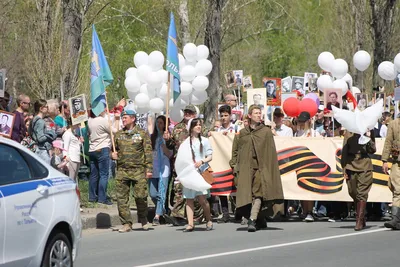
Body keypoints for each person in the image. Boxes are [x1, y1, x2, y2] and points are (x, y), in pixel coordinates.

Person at [231, 105, 284, 232]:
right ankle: (260, 219)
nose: (258, 115)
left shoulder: (265, 132)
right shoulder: (242, 134)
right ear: (249, 116)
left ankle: (252, 220)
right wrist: (235, 167)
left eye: (260, 113)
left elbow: (270, 153)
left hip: (261, 169)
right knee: (247, 196)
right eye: (255, 113)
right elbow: (235, 152)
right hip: (246, 170)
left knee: (259, 194)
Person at [112, 109, 153, 233]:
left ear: (133, 118)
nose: (123, 119)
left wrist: (149, 169)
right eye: (123, 117)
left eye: (126, 117)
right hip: (122, 170)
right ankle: (126, 223)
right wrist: (112, 154)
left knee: (141, 196)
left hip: (138, 170)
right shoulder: (118, 134)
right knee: (122, 198)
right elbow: (112, 150)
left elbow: (148, 152)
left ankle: (143, 219)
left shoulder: (142, 133)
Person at [164, 104, 204, 226]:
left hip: (195, 164)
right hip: (180, 164)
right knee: (179, 189)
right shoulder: (177, 128)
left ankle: (197, 216)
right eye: (186, 112)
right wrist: (167, 140)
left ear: (195, 115)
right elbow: (172, 146)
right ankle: (178, 215)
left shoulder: (200, 127)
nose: (187, 114)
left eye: (190, 112)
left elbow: (206, 141)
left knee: (196, 189)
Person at [179, 118, 214, 232]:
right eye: (196, 125)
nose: (198, 127)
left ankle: (208, 219)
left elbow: (210, 156)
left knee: (202, 199)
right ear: (191, 127)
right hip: (189, 173)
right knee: (189, 198)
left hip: (200, 173)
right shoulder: (186, 142)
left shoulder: (204, 141)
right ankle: (190, 223)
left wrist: (202, 161)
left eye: (200, 125)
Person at [341, 129, 376, 230]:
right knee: (353, 192)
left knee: (362, 193)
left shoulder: (369, 130)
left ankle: (359, 220)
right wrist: (344, 168)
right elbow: (344, 151)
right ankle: (362, 217)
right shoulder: (349, 132)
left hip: (365, 165)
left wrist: (368, 138)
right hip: (351, 164)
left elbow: (373, 150)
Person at [294, 111, 319, 221]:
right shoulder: (298, 133)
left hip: (311, 163)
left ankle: (310, 211)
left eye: (304, 121)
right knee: (301, 188)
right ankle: (304, 210)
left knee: (309, 188)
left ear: (309, 121)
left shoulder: (314, 133)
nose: (302, 123)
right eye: (300, 121)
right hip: (300, 163)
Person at [149, 115, 173, 226]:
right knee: (153, 194)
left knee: (161, 192)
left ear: (165, 125)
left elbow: (170, 154)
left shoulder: (168, 138)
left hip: (164, 169)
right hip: (153, 169)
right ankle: (163, 209)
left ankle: (157, 216)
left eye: (161, 123)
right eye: (157, 122)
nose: (159, 125)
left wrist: (165, 146)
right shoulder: (151, 137)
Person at [88, 110, 113, 205]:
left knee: (93, 174)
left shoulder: (90, 120)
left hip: (92, 149)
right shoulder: (102, 120)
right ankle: (102, 198)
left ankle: (92, 197)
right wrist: (116, 121)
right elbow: (113, 131)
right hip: (102, 148)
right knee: (103, 174)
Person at [382, 117, 400, 230]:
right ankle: (395, 219)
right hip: (396, 161)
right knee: (397, 190)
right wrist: (384, 160)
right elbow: (388, 141)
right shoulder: (393, 124)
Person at [30, 99, 57, 164]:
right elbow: (40, 138)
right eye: (46, 107)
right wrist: (50, 134)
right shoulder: (40, 121)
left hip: (40, 149)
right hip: (42, 150)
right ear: (41, 108)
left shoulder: (35, 120)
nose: (48, 108)